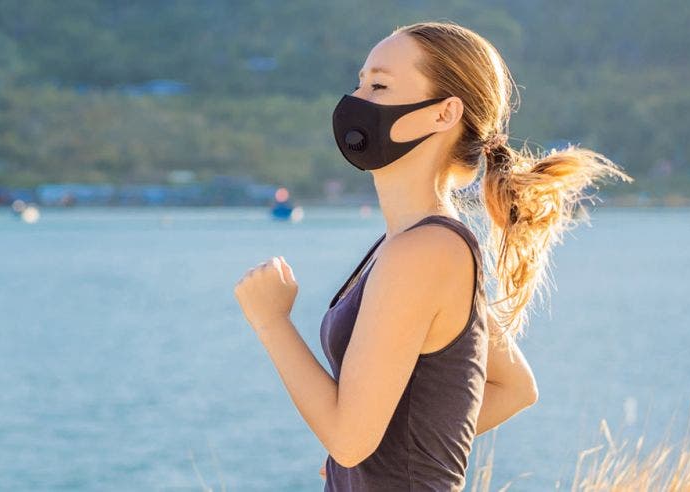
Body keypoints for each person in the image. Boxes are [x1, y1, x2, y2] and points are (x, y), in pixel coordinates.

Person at [233, 20, 633, 491]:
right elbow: (514, 387)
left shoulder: (425, 251)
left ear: (445, 113)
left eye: (379, 85)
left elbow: (348, 439)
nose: (356, 102)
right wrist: (379, 454)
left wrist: (271, 321)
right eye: (359, 83)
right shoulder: (416, 244)